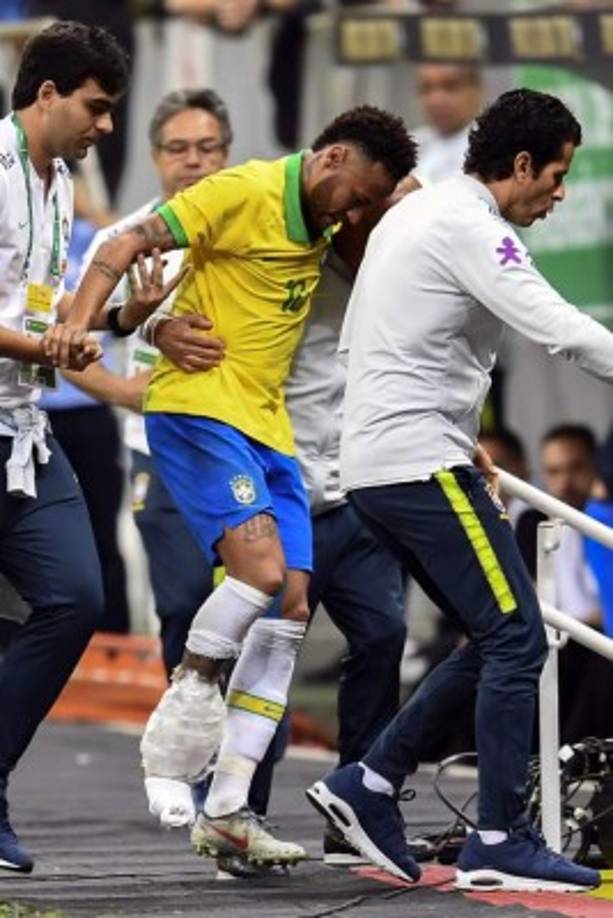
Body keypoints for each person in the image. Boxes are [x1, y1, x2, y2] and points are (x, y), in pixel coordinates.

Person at [51, 105, 417, 866]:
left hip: (269, 428)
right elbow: (122, 244)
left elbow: (396, 194)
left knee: (287, 605)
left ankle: (227, 810)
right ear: (330, 155)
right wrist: (90, 329)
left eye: (366, 204)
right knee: (244, 579)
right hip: (197, 413)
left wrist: (151, 323)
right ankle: (175, 722)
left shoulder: (324, 216)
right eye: (353, 195)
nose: (352, 213)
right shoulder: (238, 192)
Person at [306, 88, 613, 892]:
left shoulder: (421, 213)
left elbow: (400, 343)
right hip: (417, 464)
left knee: (495, 638)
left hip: (386, 461)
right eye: (555, 175)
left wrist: (453, 430)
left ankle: (367, 784)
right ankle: (498, 836)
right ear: (519, 165)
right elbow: (560, 329)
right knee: (517, 637)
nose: (559, 194)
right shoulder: (471, 226)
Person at [0, 21, 129, 873]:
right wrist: (45, 348)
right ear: (46, 94)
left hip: (22, 431)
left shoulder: (59, 182)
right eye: (96, 107)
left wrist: (118, 320)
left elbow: (39, 315)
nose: (104, 126)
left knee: (78, 597)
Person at [62, 87, 233, 672]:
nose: (194, 160)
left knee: (258, 610)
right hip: (158, 450)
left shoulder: (258, 235)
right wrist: (126, 393)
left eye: (208, 148)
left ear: (227, 156)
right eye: (179, 148)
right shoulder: (123, 243)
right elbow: (68, 345)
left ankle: (251, 757)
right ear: (156, 157)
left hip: (252, 443)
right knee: (184, 601)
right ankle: (181, 751)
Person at [414, 64, 483, 184]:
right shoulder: (411, 143)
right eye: (426, 88)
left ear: (477, 91)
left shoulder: (495, 150)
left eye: (450, 87)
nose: (435, 100)